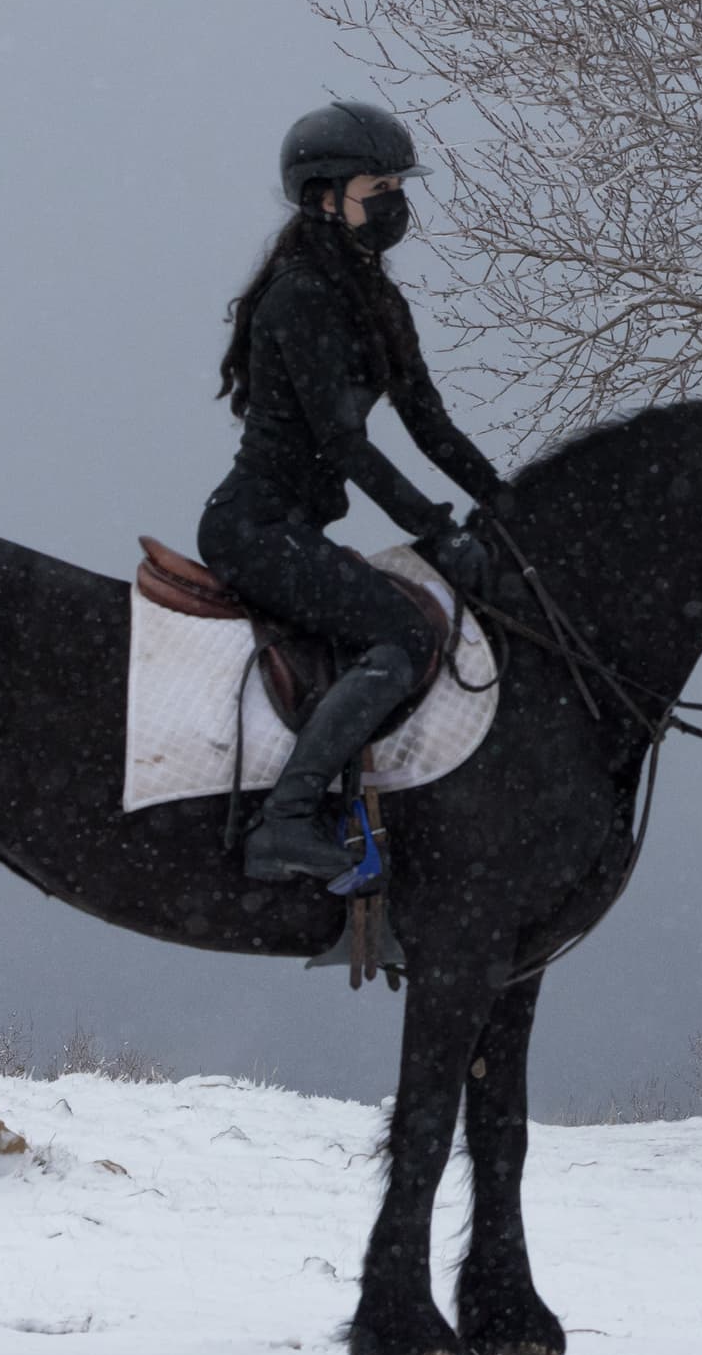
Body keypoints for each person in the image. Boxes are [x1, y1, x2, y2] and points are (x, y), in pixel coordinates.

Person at [204, 101, 508, 885]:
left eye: (399, 185)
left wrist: (506, 504)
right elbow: (345, 444)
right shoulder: (300, 297)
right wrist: (439, 534)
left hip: (300, 526)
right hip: (254, 526)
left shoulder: (378, 299)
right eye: (379, 185)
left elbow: (432, 428)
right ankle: (287, 819)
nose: (395, 203)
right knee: (405, 637)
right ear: (323, 197)